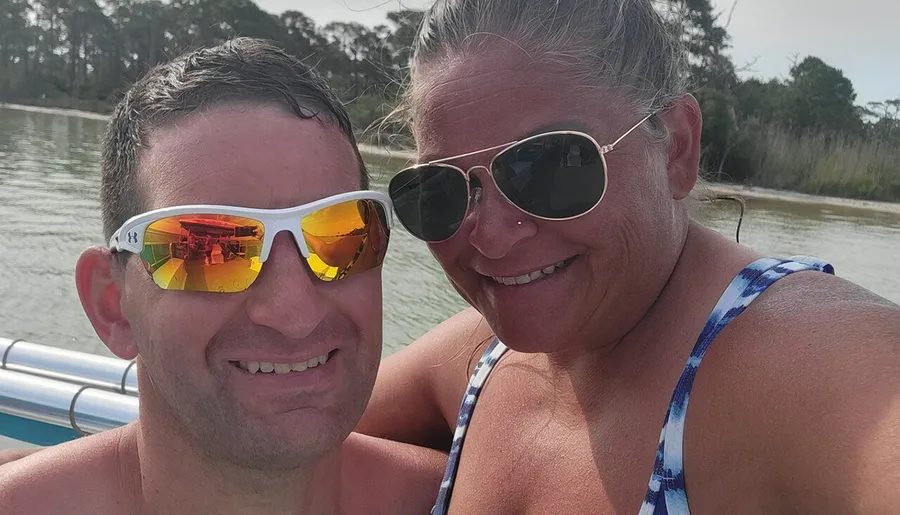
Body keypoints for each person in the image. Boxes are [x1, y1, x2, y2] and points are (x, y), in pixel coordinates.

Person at [357, 1, 900, 514]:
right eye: (439, 192)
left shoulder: (805, 367)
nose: (492, 239)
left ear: (677, 148)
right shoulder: (479, 358)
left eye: (550, 168)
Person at [0, 38, 444, 515]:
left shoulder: (460, 499)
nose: (294, 313)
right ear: (112, 303)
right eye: (206, 247)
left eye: (340, 234)